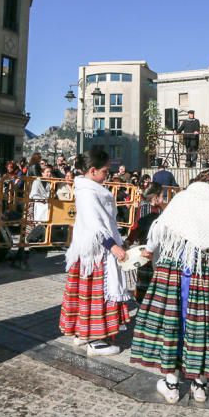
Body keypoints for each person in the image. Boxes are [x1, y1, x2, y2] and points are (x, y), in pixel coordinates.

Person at [131, 171, 209, 403]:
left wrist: (149, 250)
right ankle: (200, 385)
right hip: (207, 273)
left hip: (175, 271)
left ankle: (171, 384)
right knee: (204, 326)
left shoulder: (182, 199)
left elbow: (160, 228)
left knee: (171, 324)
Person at [59, 147, 129, 356]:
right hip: (96, 252)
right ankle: (97, 342)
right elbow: (95, 224)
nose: (108, 174)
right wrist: (113, 245)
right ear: (92, 170)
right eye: (105, 170)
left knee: (85, 295)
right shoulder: (88, 192)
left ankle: (82, 333)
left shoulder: (88, 188)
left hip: (88, 252)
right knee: (97, 295)